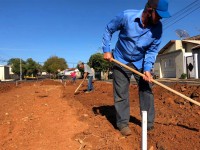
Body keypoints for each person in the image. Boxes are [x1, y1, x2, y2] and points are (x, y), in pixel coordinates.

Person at [102, 0, 171, 136]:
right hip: (121, 59)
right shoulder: (127, 16)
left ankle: (148, 123)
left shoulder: (158, 28)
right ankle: (123, 124)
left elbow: (152, 50)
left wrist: (147, 69)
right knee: (121, 92)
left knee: (146, 90)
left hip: (141, 61)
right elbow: (108, 29)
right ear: (150, 10)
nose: (161, 18)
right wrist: (107, 50)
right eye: (159, 14)